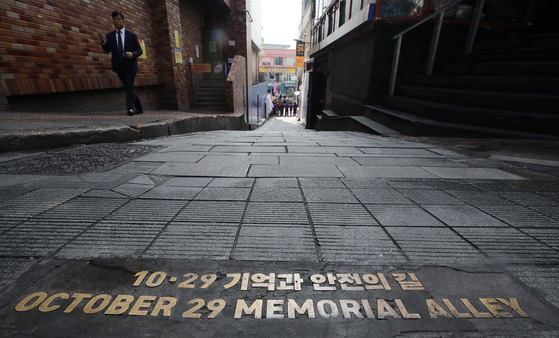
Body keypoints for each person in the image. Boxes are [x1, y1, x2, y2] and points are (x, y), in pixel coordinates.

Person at [99, 10, 143, 116]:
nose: (116, 21)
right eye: (114, 19)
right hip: (119, 66)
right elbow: (107, 50)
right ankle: (139, 108)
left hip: (130, 65)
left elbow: (139, 50)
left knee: (129, 84)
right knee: (129, 86)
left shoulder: (131, 35)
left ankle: (130, 108)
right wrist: (104, 42)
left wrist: (132, 54)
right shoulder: (110, 36)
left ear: (124, 21)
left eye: (118, 19)